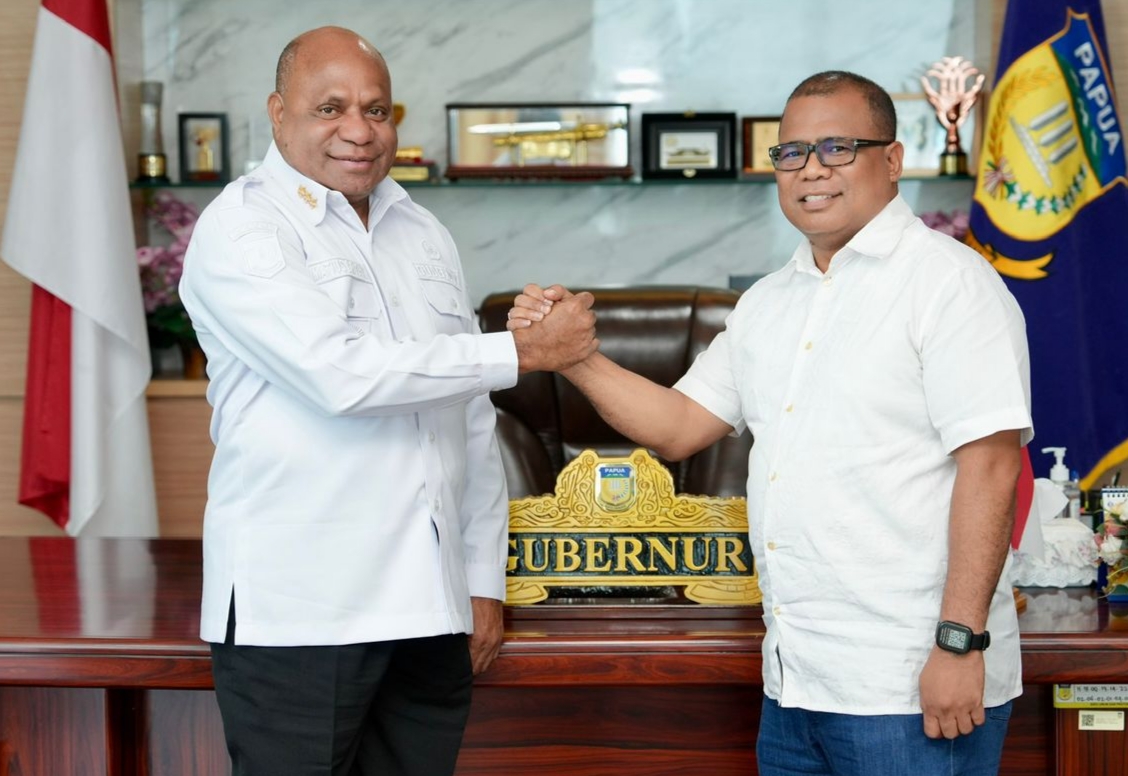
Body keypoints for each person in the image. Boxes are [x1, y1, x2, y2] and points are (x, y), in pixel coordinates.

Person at [509, 71, 1031, 776]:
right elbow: (679, 425)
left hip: (908, 685)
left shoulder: (950, 284)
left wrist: (960, 644)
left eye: (838, 148)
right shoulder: (767, 302)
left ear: (892, 160)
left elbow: (992, 467)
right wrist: (575, 357)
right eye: (791, 153)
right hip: (794, 683)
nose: (810, 169)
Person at [178, 26, 597, 776]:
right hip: (302, 613)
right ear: (277, 112)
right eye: (330, 108)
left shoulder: (423, 231)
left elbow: (471, 419)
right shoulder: (242, 226)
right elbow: (339, 376)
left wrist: (480, 579)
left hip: (429, 611)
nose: (359, 130)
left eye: (376, 110)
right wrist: (521, 351)